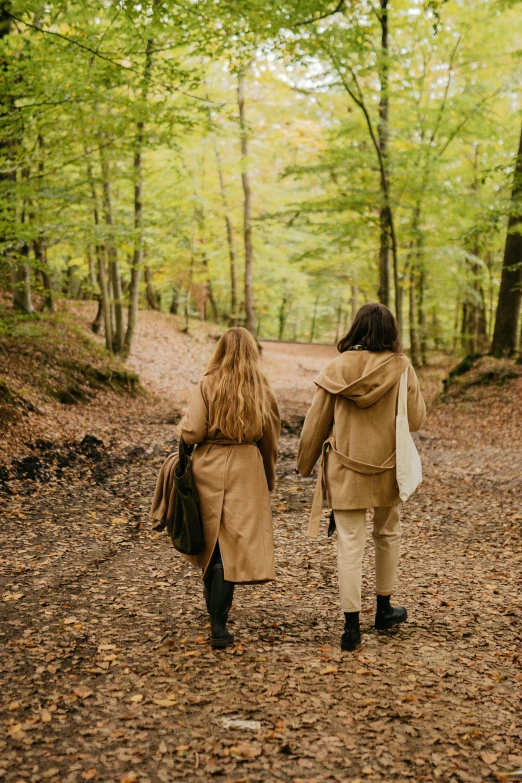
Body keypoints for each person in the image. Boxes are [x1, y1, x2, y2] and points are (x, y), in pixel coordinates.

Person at [296, 303, 426, 651]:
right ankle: (383, 610)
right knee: (388, 535)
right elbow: (416, 420)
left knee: (350, 545)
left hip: (345, 469)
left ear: (356, 328)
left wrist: (305, 464)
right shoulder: (401, 367)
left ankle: (351, 629)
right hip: (388, 468)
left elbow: (316, 422)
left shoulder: (337, 368)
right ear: (390, 331)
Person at [179, 327, 280, 650]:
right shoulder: (261, 387)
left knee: (211, 542)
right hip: (246, 469)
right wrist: (267, 478)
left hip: (208, 465)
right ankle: (218, 623)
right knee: (231, 546)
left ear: (220, 350)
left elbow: (193, 432)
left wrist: (183, 426)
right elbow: (270, 439)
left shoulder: (207, 383)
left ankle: (216, 619)